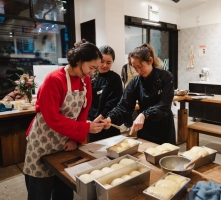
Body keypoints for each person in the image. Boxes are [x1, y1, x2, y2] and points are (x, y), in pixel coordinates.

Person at [23, 39, 106, 200]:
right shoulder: (54, 79)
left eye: (95, 69)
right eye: (91, 67)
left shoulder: (85, 81)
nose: (91, 72)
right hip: (43, 142)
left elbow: (83, 111)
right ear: (79, 61)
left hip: (65, 145)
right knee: (39, 193)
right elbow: (52, 118)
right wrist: (85, 129)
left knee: (64, 192)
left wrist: (75, 139)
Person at [99, 43, 176, 145]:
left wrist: (145, 114)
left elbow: (164, 106)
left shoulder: (166, 77)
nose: (138, 71)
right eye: (135, 68)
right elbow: (124, 106)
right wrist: (110, 118)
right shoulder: (135, 82)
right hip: (145, 127)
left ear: (150, 61)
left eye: (140, 66)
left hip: (164, 126)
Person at [88, 45, 123, 142]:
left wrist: (102, 117)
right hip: (93, 123)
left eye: (108, 62)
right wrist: (89, 121)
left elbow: (114, 102)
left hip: (109, 121)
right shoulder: (90, 78)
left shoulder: (115, 78)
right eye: (102, 62)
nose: (104, 65)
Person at [121, 53, 138, 130]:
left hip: (137, 90)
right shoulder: (125, 67)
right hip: (128, 89)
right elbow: (123, 79)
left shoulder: (137, 67)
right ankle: (128, 124)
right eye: (128, 58)